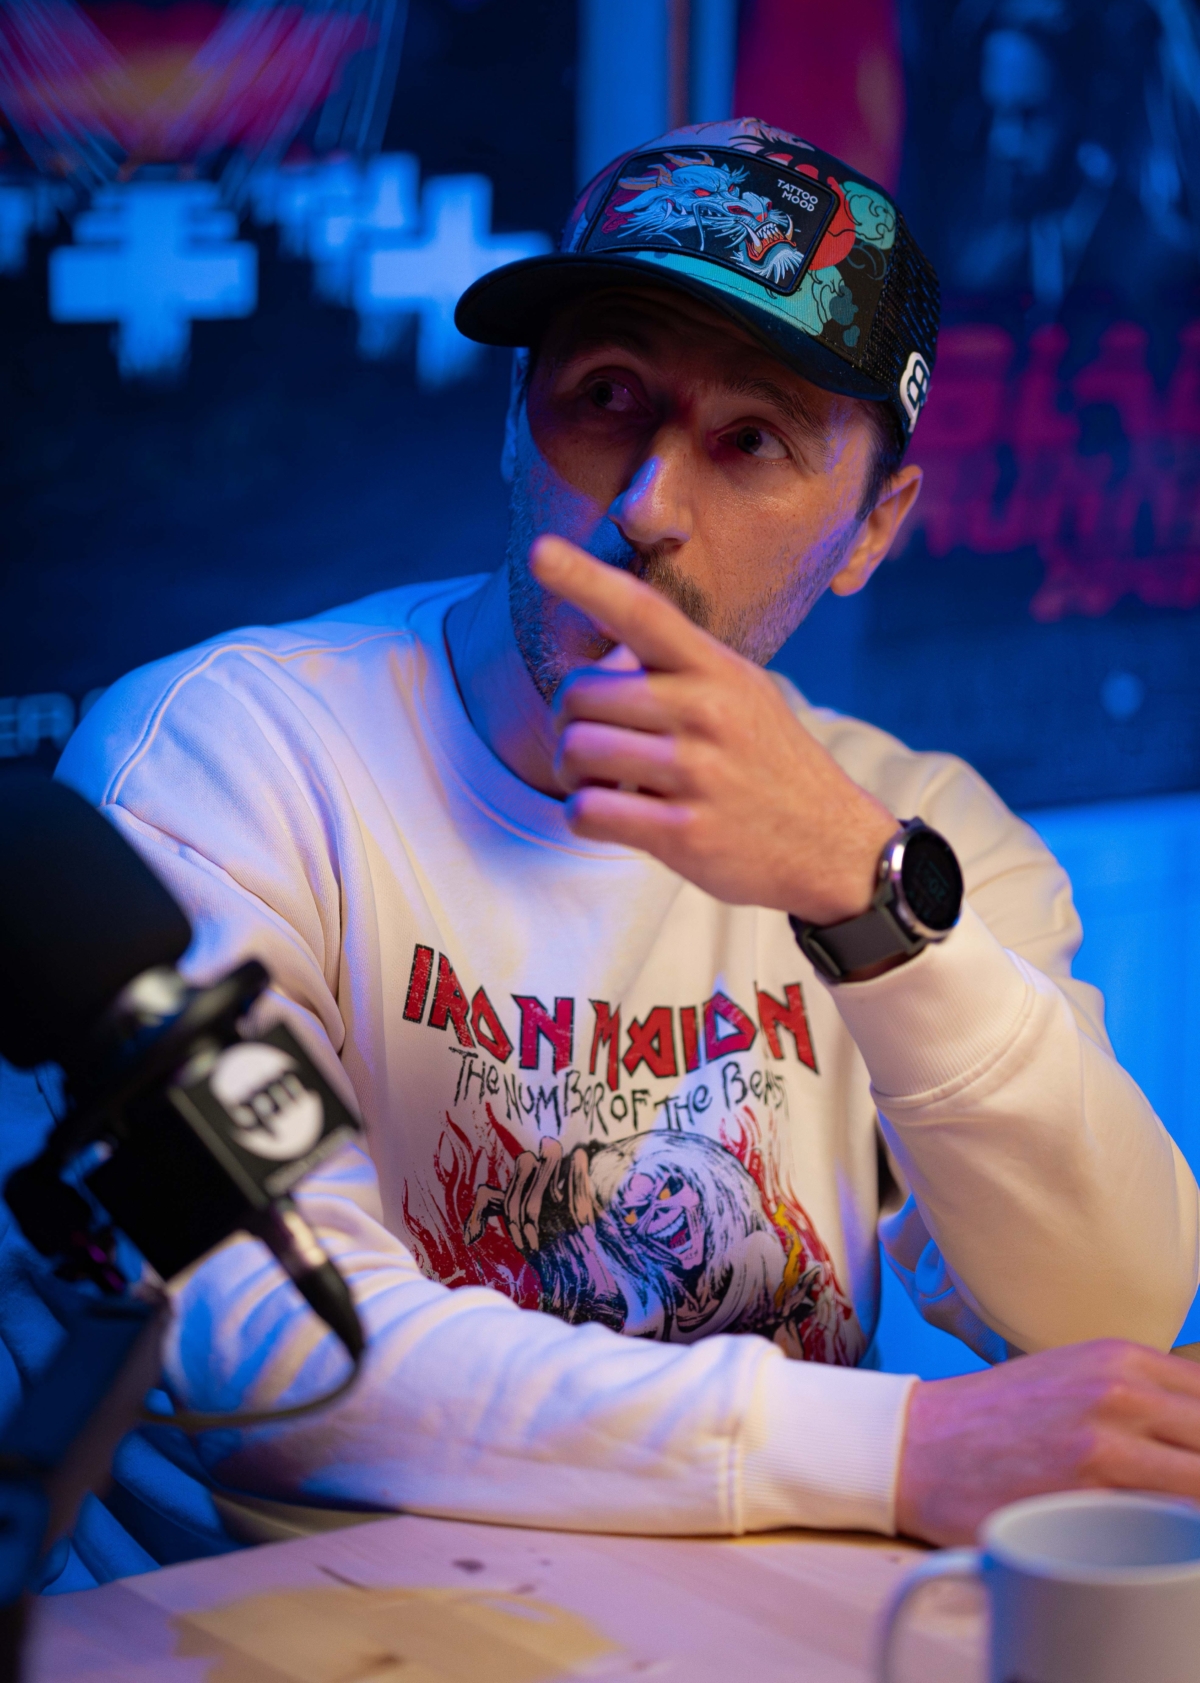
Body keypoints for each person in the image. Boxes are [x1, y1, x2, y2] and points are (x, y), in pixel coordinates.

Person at [59, 116, 1200, 1549]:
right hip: (293, 1631)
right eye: (606, 397)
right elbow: (288, 1353)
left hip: (749, 1631)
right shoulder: (227, 756)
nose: (651, 506)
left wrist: (864, 902)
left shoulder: (917, 833)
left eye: (751, 440)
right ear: (513, 421)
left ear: (870, 528)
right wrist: (896, 1451)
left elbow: (1109, 1307)